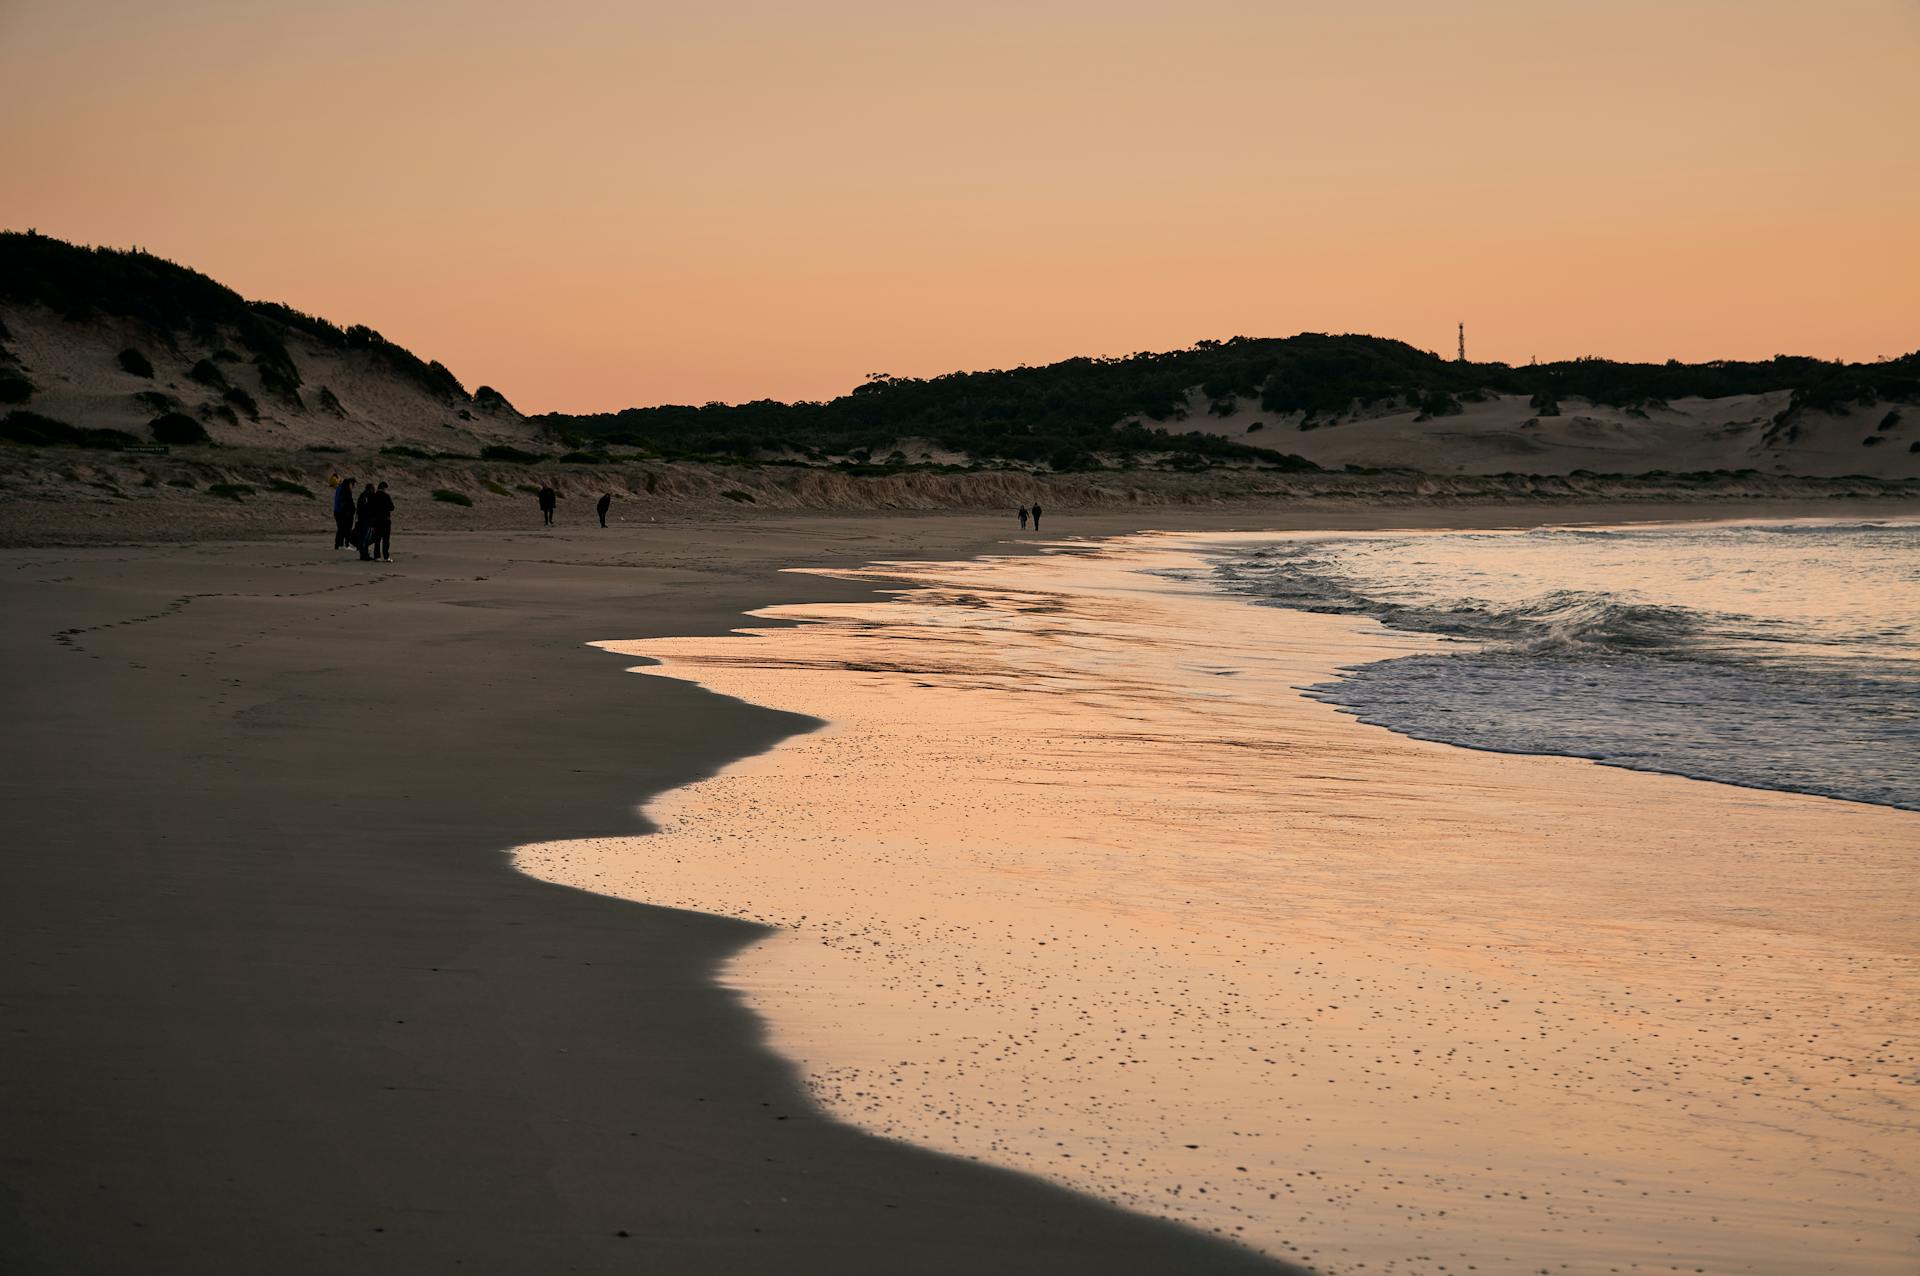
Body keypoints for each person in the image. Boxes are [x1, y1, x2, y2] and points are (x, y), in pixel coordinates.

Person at [365, 481, 394, 562]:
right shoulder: (386, 496)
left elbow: (369, 507)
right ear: (384, 488)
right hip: (385, 520)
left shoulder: (373, 496)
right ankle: (386, 556)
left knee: (377, 539)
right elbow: (392, 507)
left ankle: (377, 556)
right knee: (386, 539)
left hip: (376, 520)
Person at [332, 477, 356, 549]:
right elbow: (344, 503)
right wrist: (348, 512)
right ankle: (343, 544)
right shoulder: (345, 491)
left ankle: (340, 544)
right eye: (352, 484)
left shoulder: (340, 488)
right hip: (343, 513)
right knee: (344, 529)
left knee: (341, 529)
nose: (353, 486)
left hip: (339, 512)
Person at [352, 482, 374, 555]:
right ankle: (364, 553)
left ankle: (364, 552)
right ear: (370, 489)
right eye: (372, 489)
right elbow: (365, 509)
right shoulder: (366, 497)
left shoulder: (364, 496)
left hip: (364, 520)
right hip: (365, 520)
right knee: (365, 537)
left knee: (365, 537)